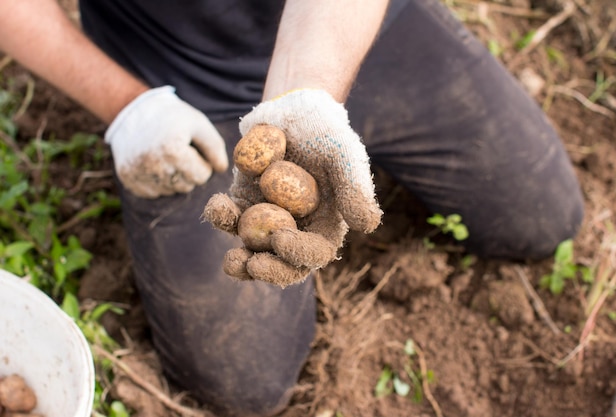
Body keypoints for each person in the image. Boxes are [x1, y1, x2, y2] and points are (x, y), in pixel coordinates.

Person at [0, 0, 584, 415]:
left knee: (542, 218)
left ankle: (332, 119)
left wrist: (303, 103)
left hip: (348, 27)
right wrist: (128, 107)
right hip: (173, 80)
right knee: (245, 380)